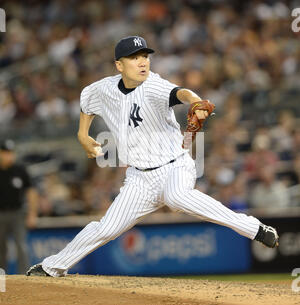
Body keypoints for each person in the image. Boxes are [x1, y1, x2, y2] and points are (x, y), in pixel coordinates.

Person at [26, 36, 279, 277]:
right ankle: (53, 266)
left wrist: (196, 101)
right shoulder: (104, 89)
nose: (142, 61)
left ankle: (253, 228)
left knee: (176, 196)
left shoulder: (154, 85)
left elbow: (181, 93)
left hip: (175, 166)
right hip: (139, 180)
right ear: (119, 65)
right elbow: (86, 100)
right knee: (106, 228)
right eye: (134, 57)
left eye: (145, 55)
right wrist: (82, 134)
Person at [0, 139, 39, 274]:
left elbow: (31, 192)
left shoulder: (20, 170)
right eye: (5, 152)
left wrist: (32, 214)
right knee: (0, 248)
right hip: (0, 214)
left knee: (21, 245)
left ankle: (24, 277)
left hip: (17, 213)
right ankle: (1, 279)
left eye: (11, 153)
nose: (9, 156)